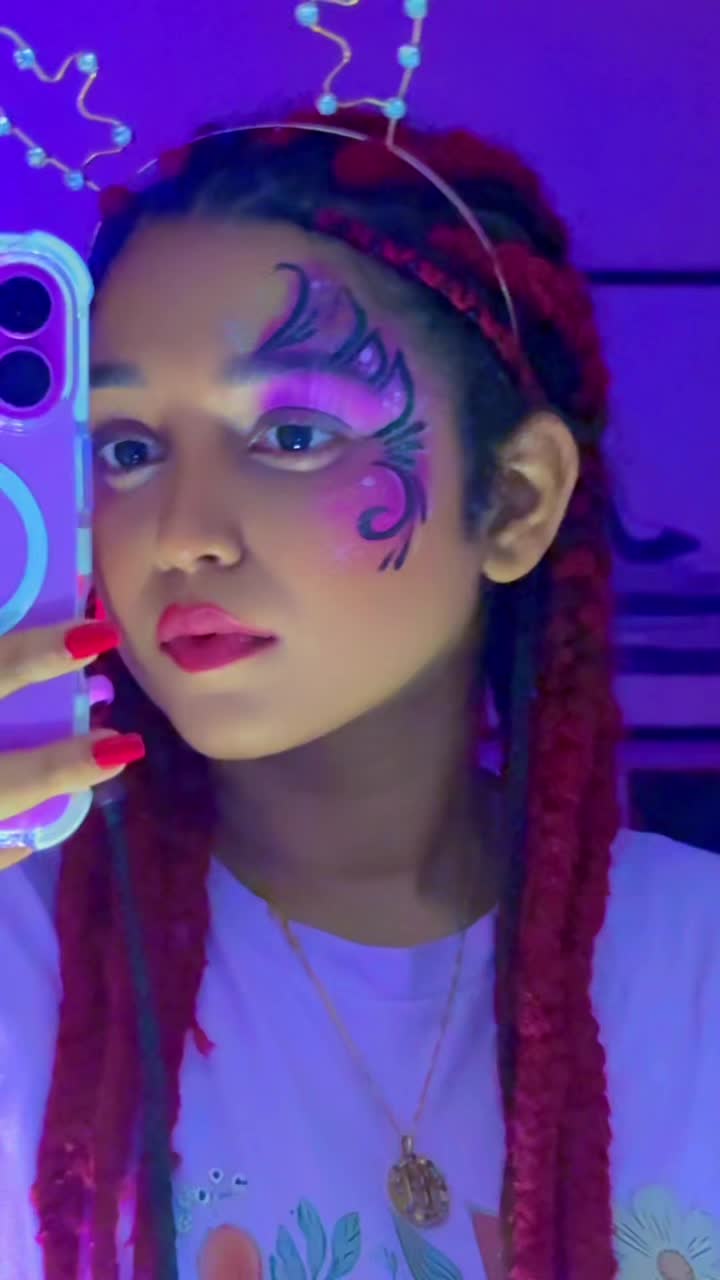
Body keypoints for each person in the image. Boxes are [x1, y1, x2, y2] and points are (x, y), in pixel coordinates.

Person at [0, 106, 718, 1280]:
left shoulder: (693, 963)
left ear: (516, 498)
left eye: (290, 432)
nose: (181, 534)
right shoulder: (28, 951)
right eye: (127, 447)